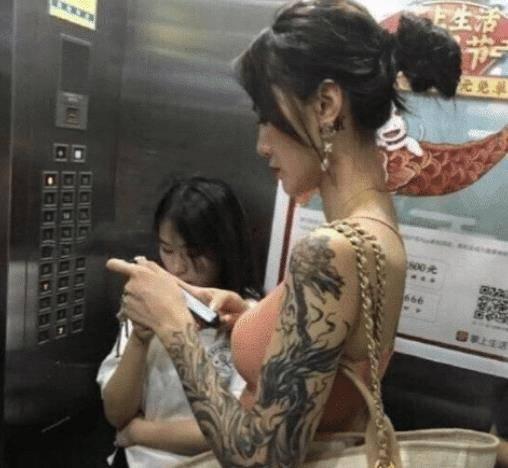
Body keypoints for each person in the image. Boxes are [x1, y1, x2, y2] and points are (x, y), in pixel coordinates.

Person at [106, 1, 462, 466]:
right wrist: (251, 315)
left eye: (267, 116)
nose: (262, 145)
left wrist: (173, 326)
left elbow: (263, 457)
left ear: (326, 105)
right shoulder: (376, 229)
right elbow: (336, 360)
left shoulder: (332, 249)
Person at [97, 176, 262, 467]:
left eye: (193, 254)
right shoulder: (149, 301)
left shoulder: (249, 318)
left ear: (225, 249)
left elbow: (238, 429)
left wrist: (139, 432)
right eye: (167, 250)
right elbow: (117, 412)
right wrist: (140, 338)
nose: (177, 267)